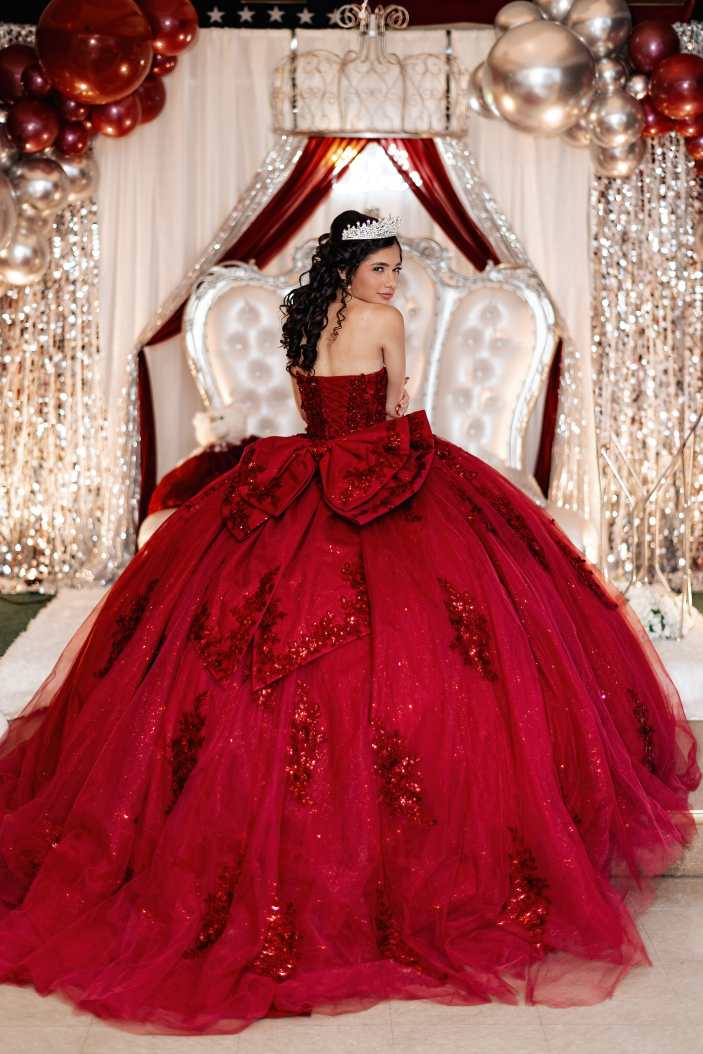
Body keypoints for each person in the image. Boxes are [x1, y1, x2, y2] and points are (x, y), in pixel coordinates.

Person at [0, 209, 699, 1036]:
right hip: (378, 475)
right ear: (354, 266)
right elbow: (399, 406)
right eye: (383, 269)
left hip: (294, 476)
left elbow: (316, 414)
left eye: (397, 272)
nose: (393, 283)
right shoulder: (383, 324)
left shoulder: (306, 318)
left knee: (236, 648)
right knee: (442, 649)